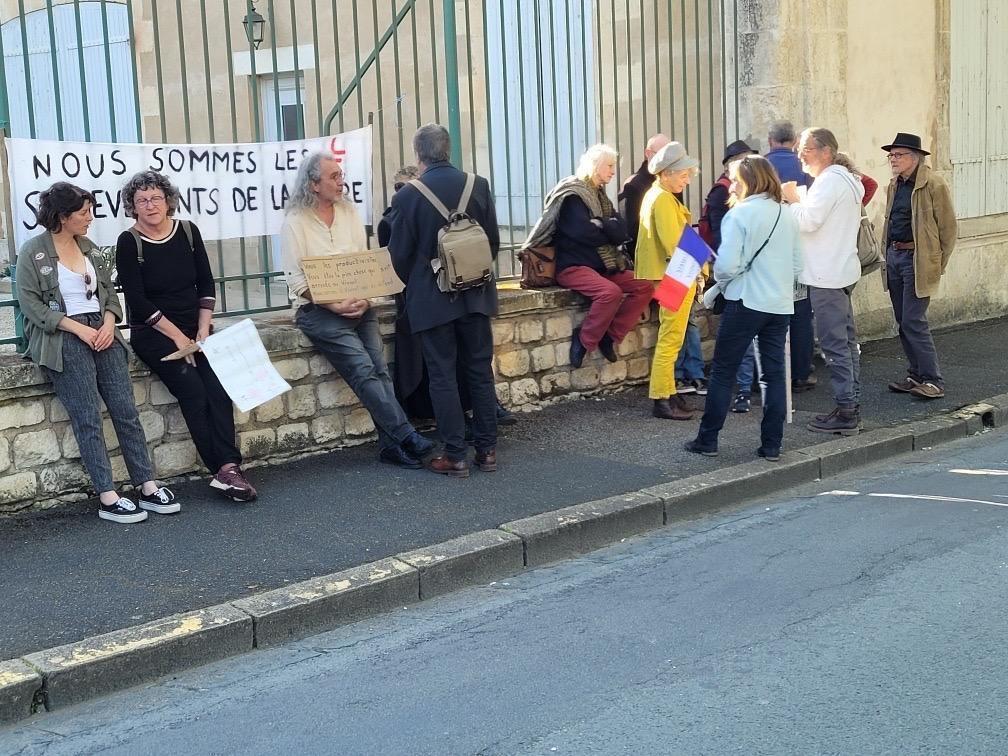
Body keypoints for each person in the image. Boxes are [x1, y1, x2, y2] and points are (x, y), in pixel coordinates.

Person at [16, 182, 176, 523]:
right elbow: (32, 307)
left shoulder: (88, 247)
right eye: (83, 213)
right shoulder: (34, 252)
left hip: (102, 333)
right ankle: (107, 495)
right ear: (63, 216)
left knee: (125, 409)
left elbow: (110, 294)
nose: (90, 218)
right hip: (65, 336)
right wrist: (80, 329)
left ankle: (146, 484)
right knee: (87, 417)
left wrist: (107, 324)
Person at [283, 150, 434, 470]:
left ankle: (390, 445)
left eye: (340, 175)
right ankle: (405, 434)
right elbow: (296, 281)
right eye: (333, 177)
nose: (341, 182)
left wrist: (366, 298)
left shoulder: (350, 214)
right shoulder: (295, 222)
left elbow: (363, 263)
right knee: (362, 369)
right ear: (313, 185)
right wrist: (333, 303)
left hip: (359, 305)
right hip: (318, 311)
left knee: (380, 370)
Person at [116, 170, 257, 502]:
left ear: (168, 201)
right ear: (132, 207)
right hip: (154, 332)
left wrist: (203, 329)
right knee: (194, 392)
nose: (149, 205)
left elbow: (206, 284)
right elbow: (136, 301)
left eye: (155, 198)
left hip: (198, 329)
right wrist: (180, 339)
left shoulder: (188, 232)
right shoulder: (129, 241)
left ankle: (229, 468)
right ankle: (224, 469)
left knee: (219, 389)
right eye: (141, 200)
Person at [388, 124, 500, 477]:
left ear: (418, 153)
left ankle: (455, 455)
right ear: (448, 149)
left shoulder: (408, 196)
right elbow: (492, 242)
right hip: (477, 292)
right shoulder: (477, 185)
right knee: (480, 371)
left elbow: (398, 257)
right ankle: (487, 450)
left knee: (442, 375)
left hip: (433, 299)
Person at [685, 156, 802, 460]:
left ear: (750, 181)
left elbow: (726, 266)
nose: (731, 186)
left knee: (724, 371)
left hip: (745, 300)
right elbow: (798, 264)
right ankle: (772, 444)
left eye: (736, 179)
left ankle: (708, 440)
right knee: (774, 374)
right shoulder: (786, 214)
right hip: (778, 303)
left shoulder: (740, 215)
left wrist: (725, 282)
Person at [523, 144, 653, 369]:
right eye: (610, 166)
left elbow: (621, 230)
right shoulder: (573, 195)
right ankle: (584, 339)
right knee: (609, 292)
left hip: (602, 266)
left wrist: (601, 224)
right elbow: (581, 232)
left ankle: (610, 336)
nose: (613, 171)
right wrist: (608, 228)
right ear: (595, 166)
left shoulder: (600, 196)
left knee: (644, 285)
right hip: (573, 266)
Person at [782, 127, 864, 435]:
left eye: (807, 149)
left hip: (826, 274)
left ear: (826, 152)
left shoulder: (830, 181)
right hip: (839, 271)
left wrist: (791, 199)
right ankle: (849, 406)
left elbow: (808, 221)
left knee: (835, 346)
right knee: (845, 344)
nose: (801, 155)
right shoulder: (844, 180)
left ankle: (847, 410)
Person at [880, 132, 957, 399]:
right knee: (903, 321)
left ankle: (933, 380)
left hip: (917, 260)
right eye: (891, 155)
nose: (893, 159)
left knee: (914, 320)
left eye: (898, 155)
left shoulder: (933, 184)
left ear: (914, 158)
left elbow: (948, 230)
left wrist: (936, 263)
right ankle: (915, 375)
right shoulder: (894, 184)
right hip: (895, 258)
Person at [634, 142, 702, 420]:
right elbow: (675, 244)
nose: (687, 179)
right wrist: (698, 271)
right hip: (675, 275)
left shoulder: (658, 194)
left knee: (672, 336)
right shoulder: (662, 198)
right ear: (666, 173)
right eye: (683, 174)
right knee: (671, 338)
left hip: (671, 273)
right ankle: (662, 397)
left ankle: (669, 392)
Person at [764, 120, 815, 394]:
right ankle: (801, 373)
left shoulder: (760, 166)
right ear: (794, 141)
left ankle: (773, 375)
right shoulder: (805, 167)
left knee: (770, 314)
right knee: (800, 313)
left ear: (770, 140)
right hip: (799, 248)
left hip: (769, 251)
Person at [619, 132, 670, 252]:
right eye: (662, 154)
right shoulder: (632, 186)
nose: (667, 160)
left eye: (669, 155)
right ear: (648, 153)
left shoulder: (671, 182)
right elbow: (631, 234)